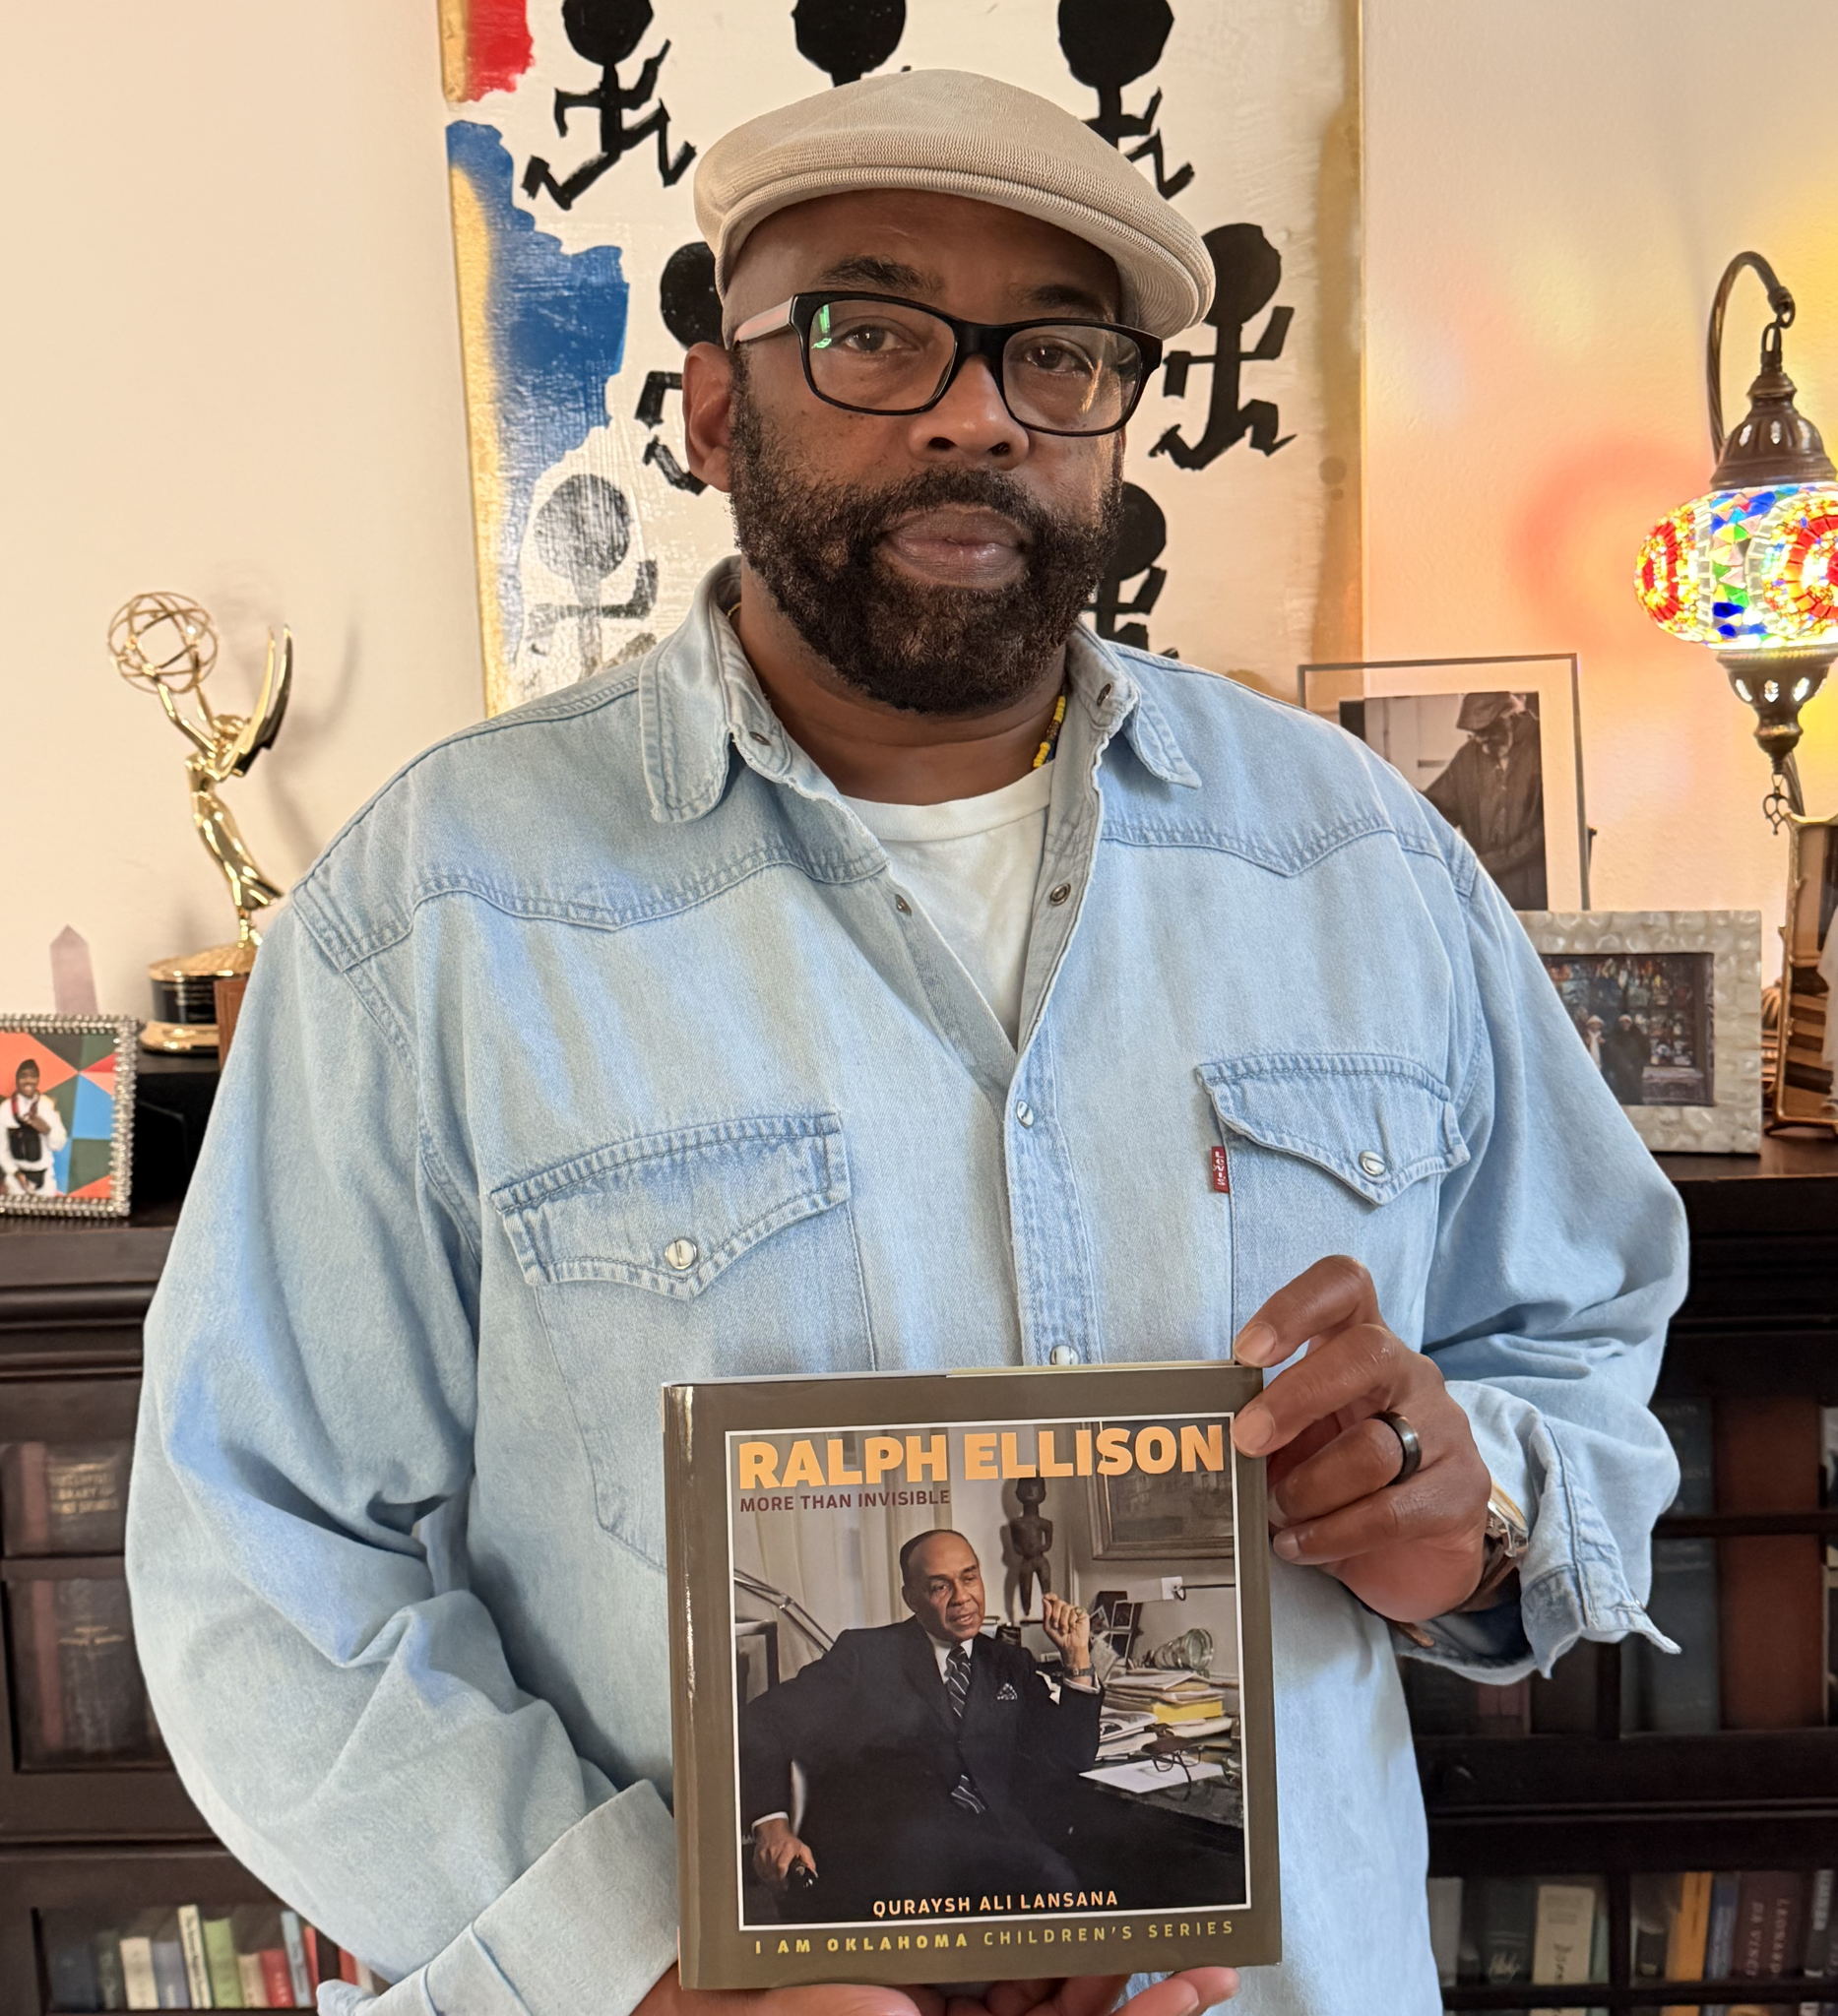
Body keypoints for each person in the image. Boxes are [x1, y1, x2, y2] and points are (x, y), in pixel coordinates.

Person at [125, 67, 1687, 2016]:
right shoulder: (437, 914)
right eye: (872, 332)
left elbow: (1579, 1340)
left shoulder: (1356, 861)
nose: (975, 413)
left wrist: (1481, 1504)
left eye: (1056, 351)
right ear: (714, 404)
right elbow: (257, 1554)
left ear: (1115, 420)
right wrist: (632, 1957)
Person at [743, 1532, 1100, 1922]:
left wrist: (1077, 1660)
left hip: (998, 1836)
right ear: (911, 1598)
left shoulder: (1009, 1661)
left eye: (969, 1577)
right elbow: (762, 1723)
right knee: (1052, 1879)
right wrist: (772, 1826)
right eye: (939, 1587)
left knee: (1089, 1871)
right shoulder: (865, 1656)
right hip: (897, 1855)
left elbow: (1072, 1756)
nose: (962, 1597)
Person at [1422, 690, 1547, 910]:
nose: (1480, 740)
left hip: (1534, 890)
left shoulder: (1543, 745)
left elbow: (1550, 828)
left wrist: (1489, 862)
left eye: (1486, 731)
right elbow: (1436, 809)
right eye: (1474, 734)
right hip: (1487, 890)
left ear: (1508, 716)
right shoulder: (1468, 757)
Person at [1, 1057, 67, 1196]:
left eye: (33, 1076)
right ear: (17, 1079)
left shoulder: (47, 1105)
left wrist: (47, 1130)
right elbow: (1, 1149)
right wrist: (15, 1173)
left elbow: (58, 1145)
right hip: (15, 1181)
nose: (28, 1081)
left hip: (45, 1180)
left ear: (38, 1079)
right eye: (23, 1076)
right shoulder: (5, 1109)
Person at [1601, 1013, 1651, 1106]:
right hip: (1621, 1066)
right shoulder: (1615, 1036)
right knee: (1623, 1083)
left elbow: (1645, 1049)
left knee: (1635, 1083)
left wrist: (1641, 1062)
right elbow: (1611, 1050)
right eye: (1622, 1022)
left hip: (1636, 1065)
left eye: (1627, 1022)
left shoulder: (1637, 1035)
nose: (1625, 1024)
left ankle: (1636, 1100)